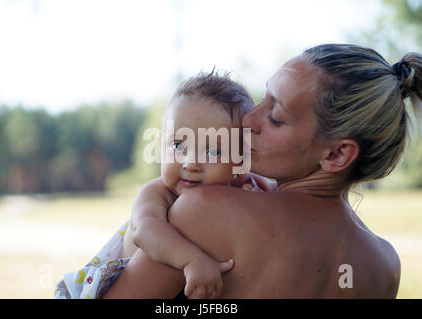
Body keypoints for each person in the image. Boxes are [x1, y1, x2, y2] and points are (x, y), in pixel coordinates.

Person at [102, 44, 421, 299]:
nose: (248, 120)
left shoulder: (207, 211)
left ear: (337, 154)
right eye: (264, 98)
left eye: (275, 117)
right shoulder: (385, 266)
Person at [54, 71, 273, 299]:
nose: (191, 163)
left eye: (213, 151)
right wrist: (191, 259)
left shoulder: (242, 183)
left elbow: (270, 193)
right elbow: (144, 230)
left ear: (241, 160)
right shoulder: (158, 194)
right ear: (161, 145)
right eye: (179, 146)